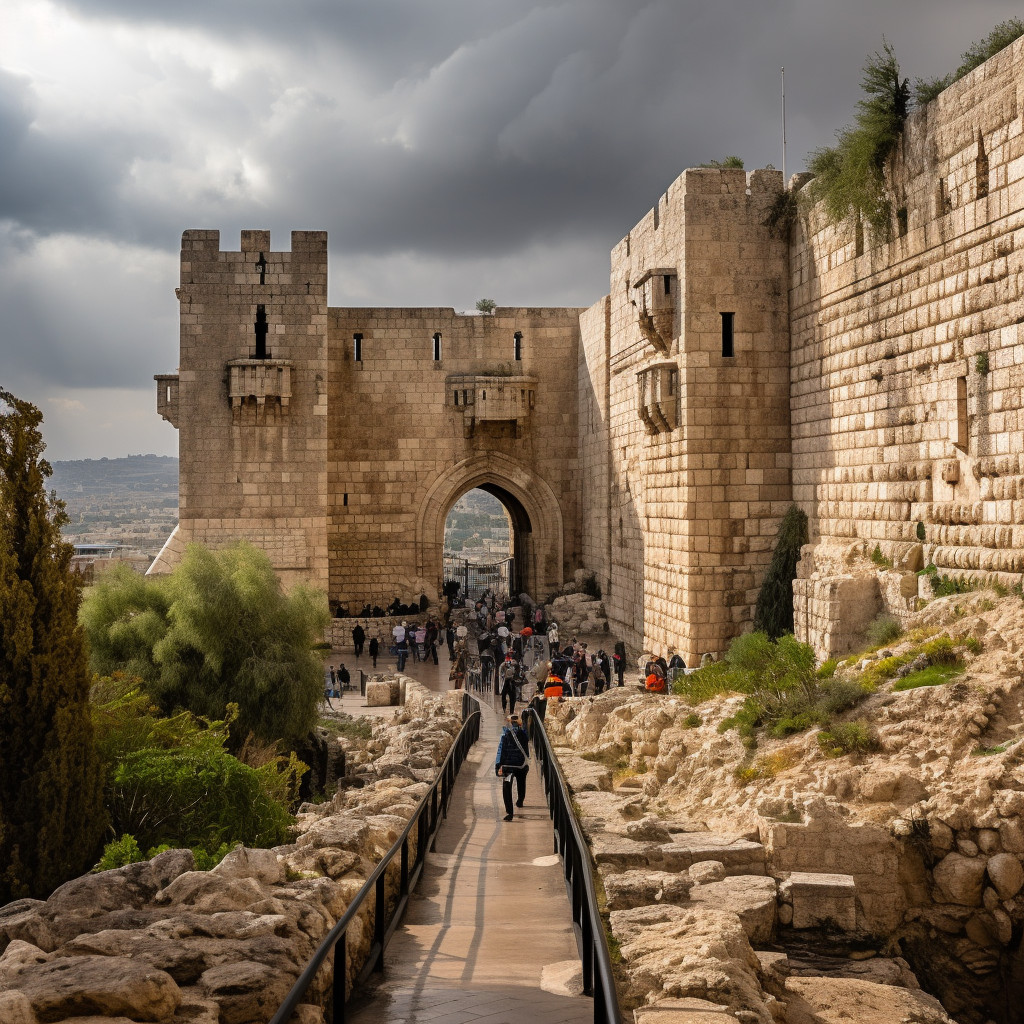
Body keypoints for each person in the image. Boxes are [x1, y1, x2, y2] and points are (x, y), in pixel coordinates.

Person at [495, 714, 530, 821]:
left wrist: (498, 766)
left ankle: (510, 813)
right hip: (520, 763)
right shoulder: (523, 733)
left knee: (507, 787)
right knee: (521, 781)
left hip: (508, 765)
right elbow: (526, 749)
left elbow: (501, 750)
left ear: (509, 722)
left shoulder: (505, 734)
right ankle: (520, 801)